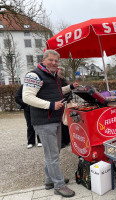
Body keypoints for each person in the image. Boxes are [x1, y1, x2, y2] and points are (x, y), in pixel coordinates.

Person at [22, 49, 79, 197]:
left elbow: (57, 91)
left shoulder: (51, 75)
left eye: (56, 61)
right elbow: (27, 97)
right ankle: (59, 185)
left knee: (53, 153)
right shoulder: (34, 75)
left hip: (54, 120)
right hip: (44, 121)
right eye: (51, 60)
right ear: (43, 59)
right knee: (52, 155)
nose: (54, 63)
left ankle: (49, 180)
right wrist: (51, 105)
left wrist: (70, 87)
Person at [15, 84, 42, 149]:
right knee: (30, 124)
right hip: (27, 108)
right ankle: (31, 142)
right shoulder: (23, 86)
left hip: (37, 107)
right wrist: (25, 103)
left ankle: (40, 140)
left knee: (38, 123)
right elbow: (17, 97)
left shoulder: (37, 86)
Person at [57, 67, 71, 148]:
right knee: (64, 122)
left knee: (63, 122)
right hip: (63, 103)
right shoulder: (64, 81)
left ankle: (64, 141)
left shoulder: (61, 81)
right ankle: (65, 141)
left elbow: (66, 92)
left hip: (62, 103)